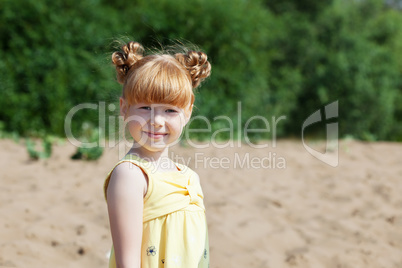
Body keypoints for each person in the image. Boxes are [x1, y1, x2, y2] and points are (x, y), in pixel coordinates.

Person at [103, 41, 211, 268]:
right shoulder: (131, 175)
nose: (156, 121)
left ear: (188, 111)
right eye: (144, 108)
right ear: (124, 108)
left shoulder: (189, 177)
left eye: (170, 110)